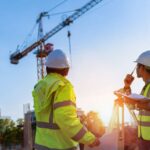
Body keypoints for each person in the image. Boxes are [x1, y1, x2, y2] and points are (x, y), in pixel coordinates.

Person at [32, 49, 100, 150]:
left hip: (42, 146)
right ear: (66, 69)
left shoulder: (40, 86)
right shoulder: (63, 86)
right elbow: (66, 119)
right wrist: (90, 139)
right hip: (61, 146)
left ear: (47, 68)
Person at [123, 50, 150, 150]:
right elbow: (131, 105)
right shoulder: (146, 87)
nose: (137, 69)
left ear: (143, 67)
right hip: (144, 139)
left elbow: (135, 105)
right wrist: (127, 86)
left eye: (138, 66)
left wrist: (135, 104)